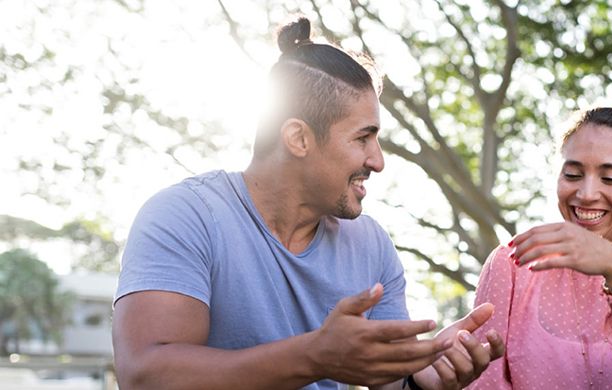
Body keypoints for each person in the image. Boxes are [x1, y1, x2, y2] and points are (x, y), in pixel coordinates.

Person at [112, 17, 504, 390]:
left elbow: (389, 382)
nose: (378, 161)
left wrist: (424, 379)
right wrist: (315, 356)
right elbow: (146, 377)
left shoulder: (370, 245)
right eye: (362, 138)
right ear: (298, 138)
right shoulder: (185, 216)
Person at [470, 107, 612, 389]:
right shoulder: (511, 264)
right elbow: (482, 381)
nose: (587, 194)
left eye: (610, 179)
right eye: (573, 175)